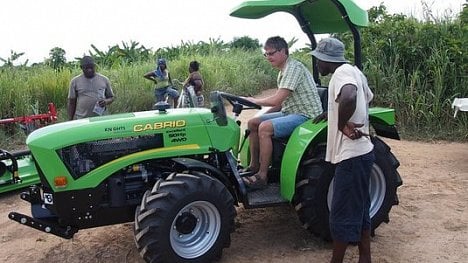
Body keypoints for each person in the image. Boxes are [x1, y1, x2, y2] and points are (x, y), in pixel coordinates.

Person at [311, 37, 375, 263]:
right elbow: (366, 98)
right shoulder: (355, 71)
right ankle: (365, 257)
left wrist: (340, 124)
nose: (318, 64)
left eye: (319, 60)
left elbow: (350, 96)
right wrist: (333, 112)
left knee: (340, 214)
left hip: (352, 156)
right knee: (360, 207)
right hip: (364, 153)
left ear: (328, 60)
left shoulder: (340, 74)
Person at [241, 36, 323, 190]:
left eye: (271, 53)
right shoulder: (282, 71)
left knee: (265, 128)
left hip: (306, 115)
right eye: (266, 54)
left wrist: (254, 101)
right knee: (253, 123)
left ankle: (262, 176)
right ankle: (254, 166)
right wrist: (259, 116)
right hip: (291, 112)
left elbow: (276, 99)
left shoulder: (293, 68)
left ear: (284, 51)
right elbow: (280, 104)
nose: (268, 57)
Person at [67, 56, 114, 120]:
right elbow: (72, 102)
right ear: (81, 68)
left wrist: (106, 101)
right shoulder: (75, 81)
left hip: (102, 118)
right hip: (82, 119)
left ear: (95, 66)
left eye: (91, 67)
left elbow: (111, 97)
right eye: (86, 68)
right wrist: (70, 120)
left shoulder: (104, 79)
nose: (89, 70)